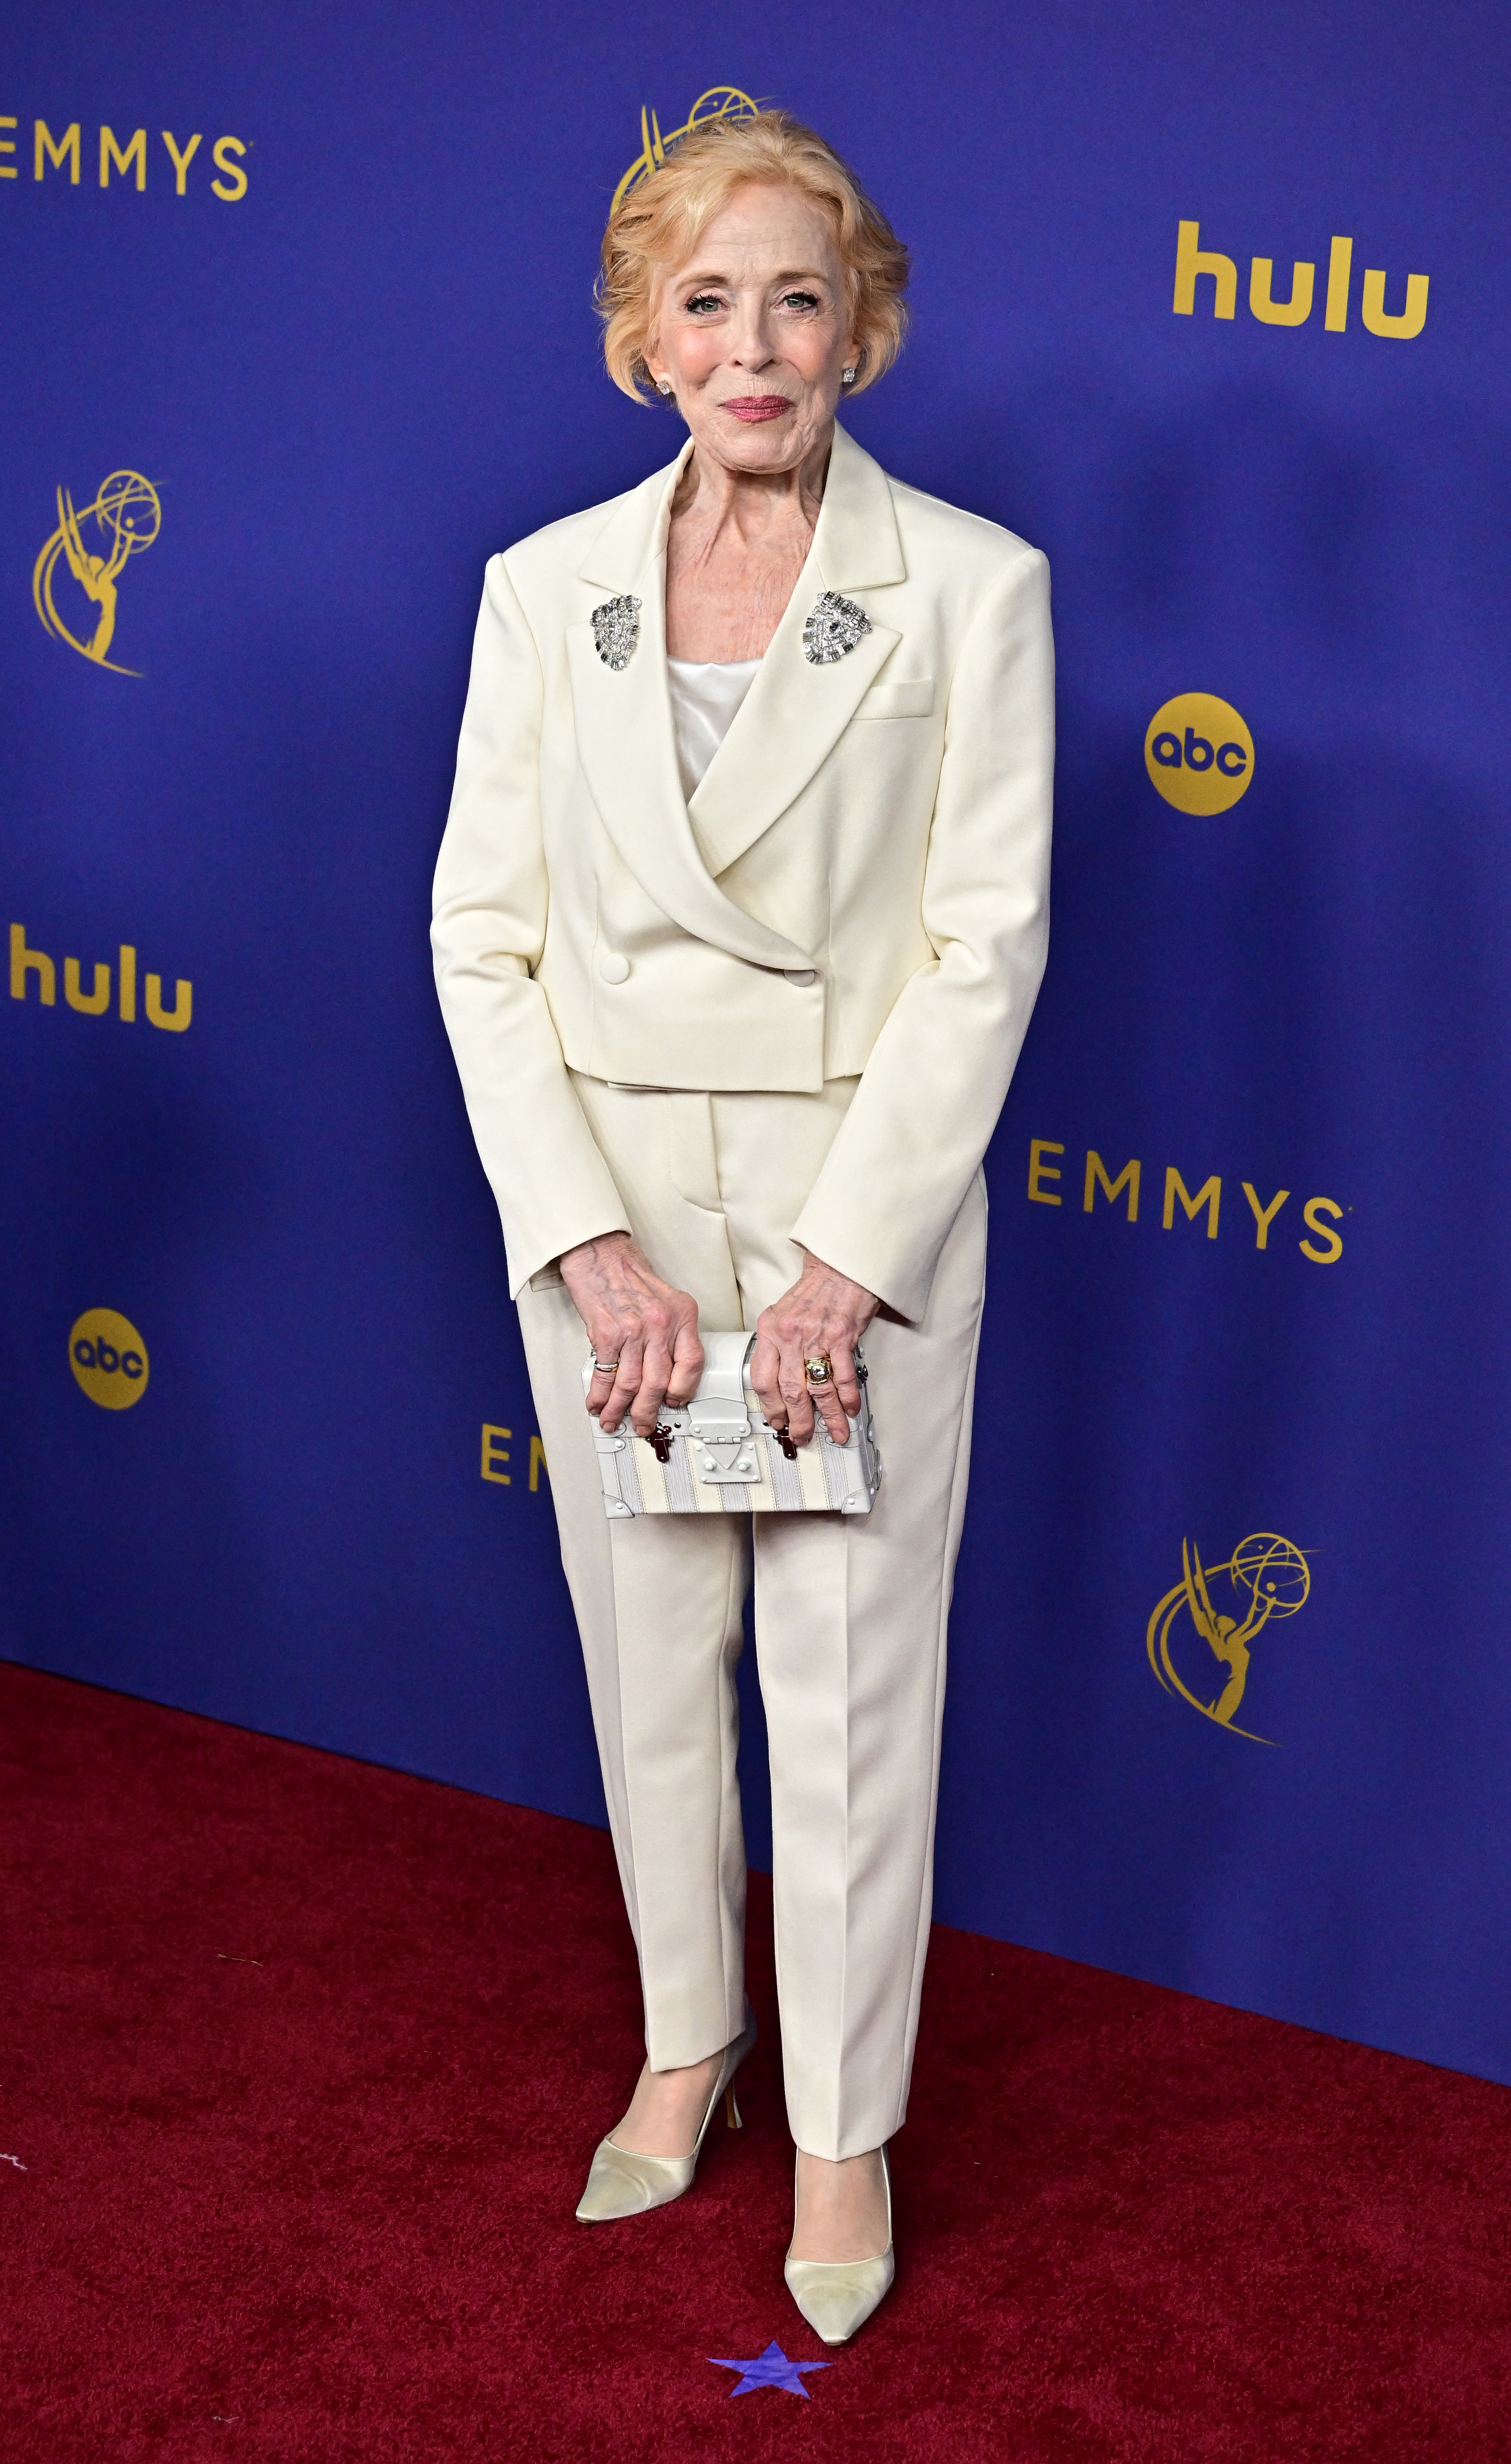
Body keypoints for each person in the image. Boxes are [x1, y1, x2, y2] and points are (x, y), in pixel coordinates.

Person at [431, 108, 1053, 2342]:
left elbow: (983, 949)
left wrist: (843, 1265)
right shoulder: (541, 591)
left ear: (860, 326)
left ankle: (844, 2127)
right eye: (707, 299)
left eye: (798, 294)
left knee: (851, 1693)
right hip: (616, 1233)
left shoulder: (974, 589)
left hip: (843, 1227)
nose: (755, 342)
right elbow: (480, 938)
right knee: (649, 1666)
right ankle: (689, 2042)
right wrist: (586, 1244)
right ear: (638, 337)